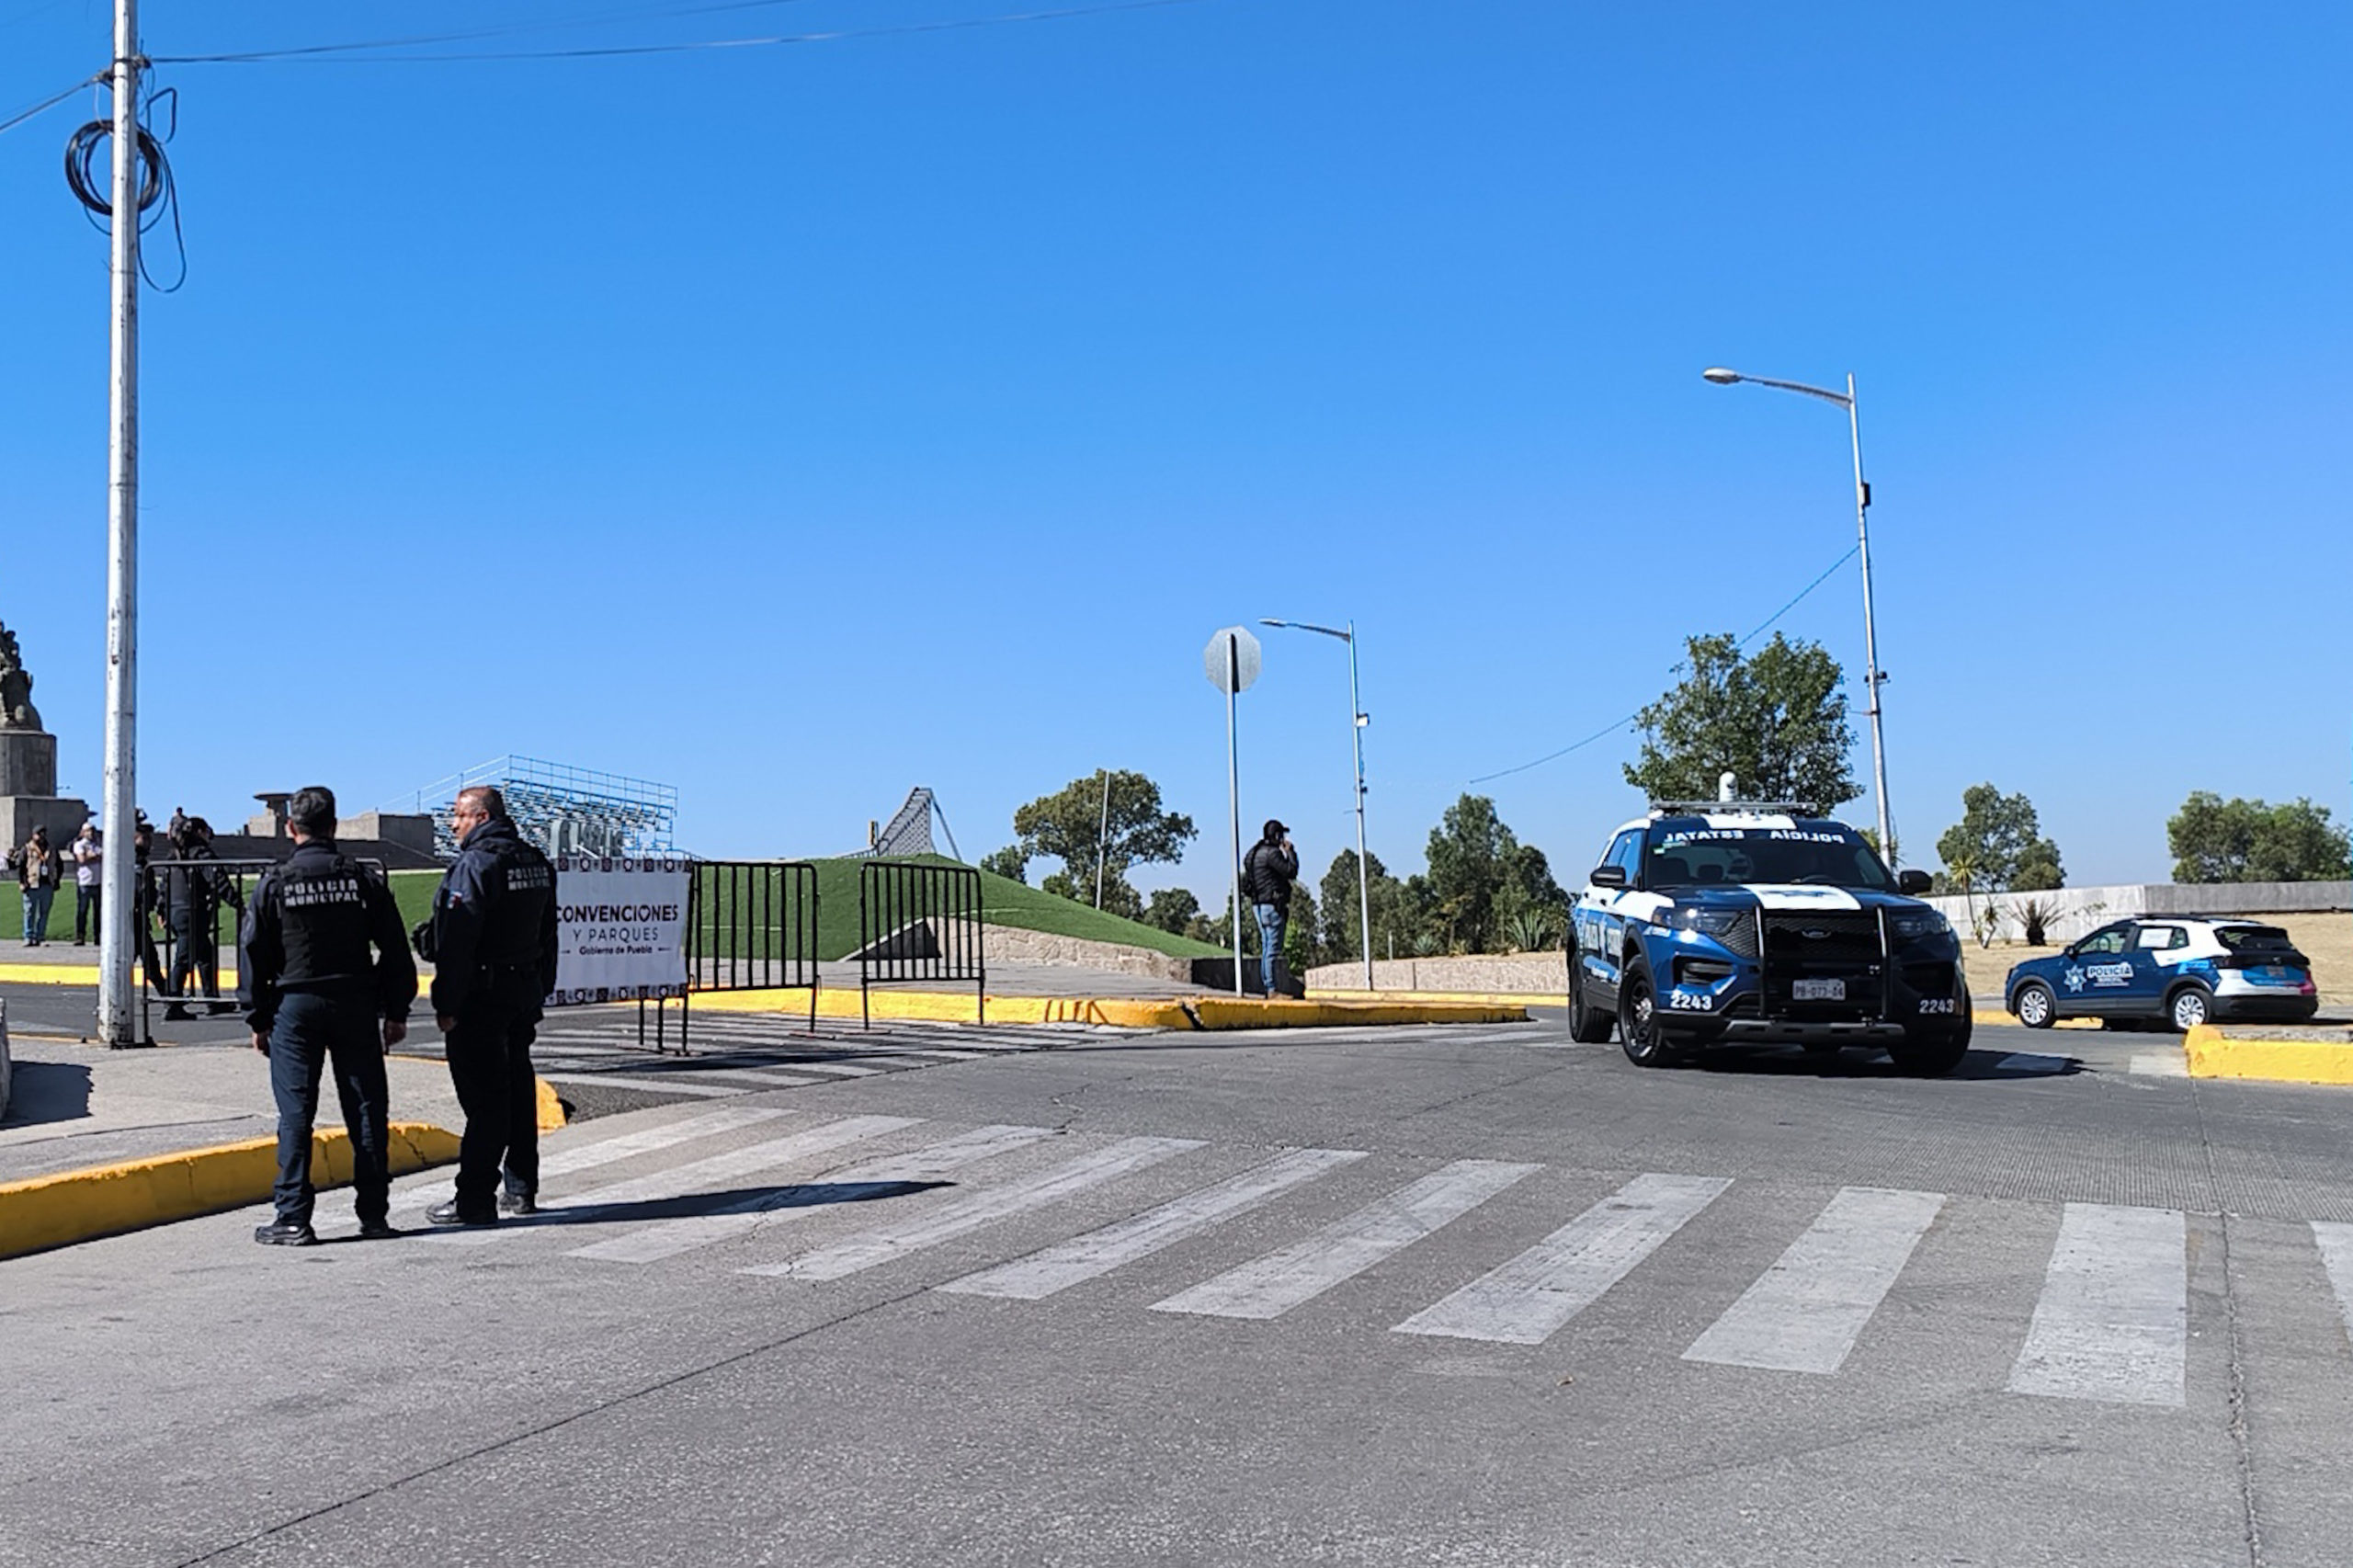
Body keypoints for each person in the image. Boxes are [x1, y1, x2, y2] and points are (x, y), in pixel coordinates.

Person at [239, 786, 419, 1246]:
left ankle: (294, 1216)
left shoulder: (276, 882)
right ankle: (374, 1215)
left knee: (296, 1113)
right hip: (354, 1002)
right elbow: (396, 951)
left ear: (290, 828)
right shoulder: (362, 879)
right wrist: (395, 1010)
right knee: (365, 1108)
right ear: (334, 827)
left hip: (294, 1008)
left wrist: (258, 1019)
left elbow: (253, 954)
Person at [421, 786, 557, 1226]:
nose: (452, 825)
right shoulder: (533, 861)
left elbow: (457, 943)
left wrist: (446, 1003)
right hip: (522, 991)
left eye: (458, 816)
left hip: (482, 996)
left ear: (479, 817)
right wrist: (541, 988)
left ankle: (474, 1198)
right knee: (517, 1090)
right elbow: (548, 934)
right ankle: (520, 1189)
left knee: (485, 1100)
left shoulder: (476, 865)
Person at [165, 817, 242, 1019]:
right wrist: (238, 904)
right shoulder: (202, 854)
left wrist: (163, 910)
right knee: (183, 959)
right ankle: (174, 1004)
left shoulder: (174, 855)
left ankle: (211, 999)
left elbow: (164, 886)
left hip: (178, 911)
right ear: (200, 832)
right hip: (192, 912)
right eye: (207, 831)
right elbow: (219, 881)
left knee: (205, 956)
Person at [1241, 818, 1300, 996]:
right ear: (1276, 835)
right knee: (1272, 949)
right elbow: (1291, 871)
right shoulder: (1272, 854)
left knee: (1267, 947)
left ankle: (1269, 987)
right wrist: (1290, 853)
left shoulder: (1252, 853)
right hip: (1272, 906)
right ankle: (1271, 989)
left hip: (1258, 905)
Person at [131, 815, 166, 990]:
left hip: (141, 917)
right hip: (132, 918)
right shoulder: (130, 860)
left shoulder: (143, 861)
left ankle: (170, 999)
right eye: (144, 838)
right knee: (149, 962)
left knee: (150, 962)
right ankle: (170, 1000)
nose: (148, 842)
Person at [13, 825, 61, 947]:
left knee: (44, 912)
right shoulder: (27, 848)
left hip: (47, 883)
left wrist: (56, 880)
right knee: (29, 911)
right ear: (33, 835)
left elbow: (59, 865)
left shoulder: (51, 848)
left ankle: (40, 936)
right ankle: (28, 936)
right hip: (32, 883)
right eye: (39, 834)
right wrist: (22, 882)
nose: (41, 836)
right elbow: (21, 866)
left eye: (43, 834)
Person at [71, 823, 102, 945]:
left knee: (98, 912)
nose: (91, 833)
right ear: (83, 832)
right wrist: (95, 857)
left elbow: (104, 856)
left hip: (98, 882)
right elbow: (82, 859)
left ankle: (98, 937)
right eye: (88, 830)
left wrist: (92, 855)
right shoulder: (79, 845)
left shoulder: (97, 845)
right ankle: (80, 936)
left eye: (93, 830)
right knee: (82, 910)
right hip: (85, 882)